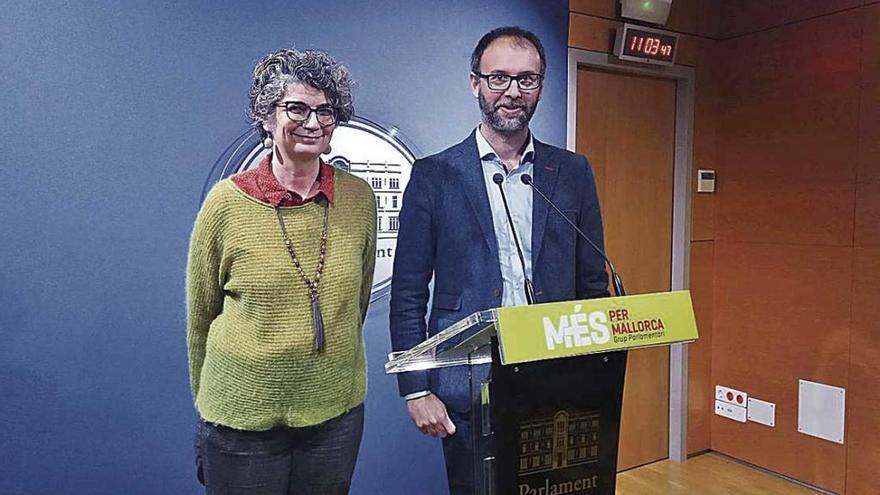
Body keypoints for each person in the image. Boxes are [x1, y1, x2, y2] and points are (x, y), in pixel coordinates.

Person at [389, 27, 610, 494]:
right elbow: (409, 293)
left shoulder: (572, 172)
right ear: (476, 83)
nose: (513, 92)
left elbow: (592, 283)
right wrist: (415, 387)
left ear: (541, 86)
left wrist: (592, 373)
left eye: (527, 80)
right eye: (499, 78)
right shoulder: (434, 176)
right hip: (466, 384)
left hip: (555, 380)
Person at [186, 48, 376, 495]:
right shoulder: (225, 204)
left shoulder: (358, 199)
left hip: (336, 414)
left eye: (325, 111)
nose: (313, 122)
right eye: (297, 108)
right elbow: (200, 320)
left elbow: (357, 303)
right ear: (267, 118)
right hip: (241, 417)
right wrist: (206, 401)